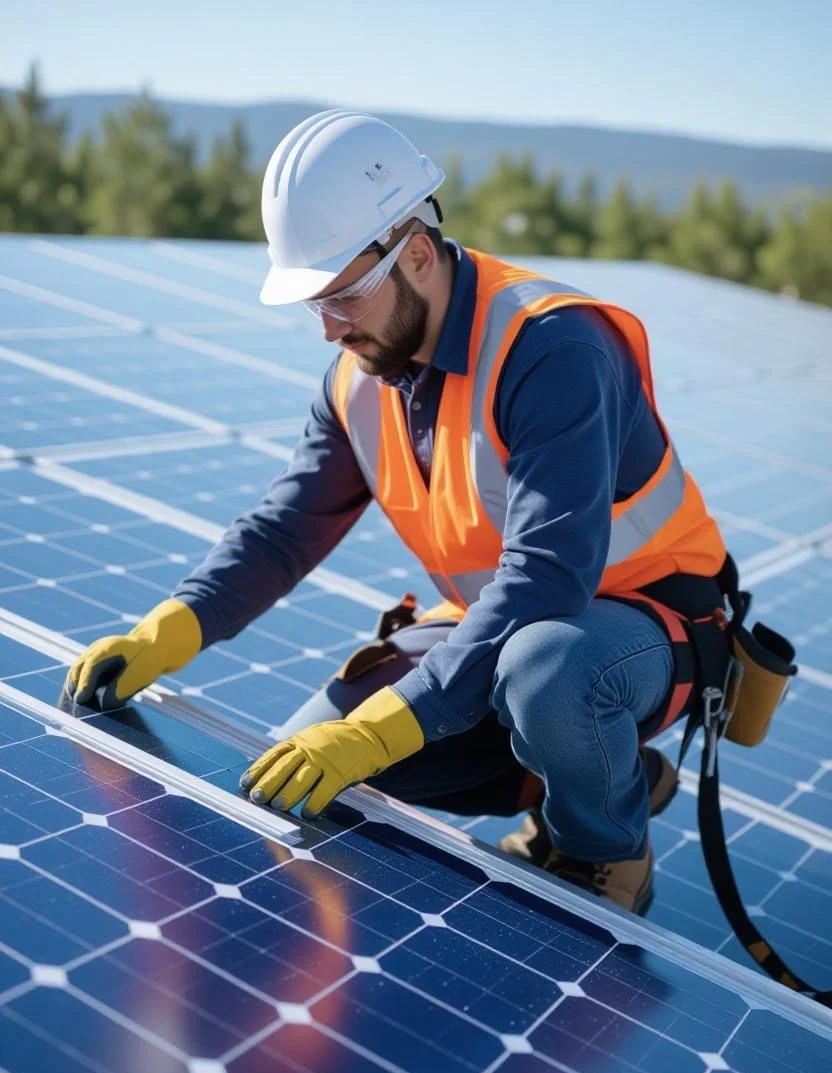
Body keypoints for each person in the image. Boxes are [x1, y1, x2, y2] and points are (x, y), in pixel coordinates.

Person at [63, 109, 731, 916]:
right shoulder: (356, 380)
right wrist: (168, 628)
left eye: (342, 296)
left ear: (415, 251)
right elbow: (284, 531)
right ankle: (590, 767)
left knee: (547, 674)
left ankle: (603, 849)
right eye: (313, 303)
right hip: (509, 622)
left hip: (644, 624)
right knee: (305, 757)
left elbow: (549, 579)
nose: (328, 328)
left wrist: (388, 724)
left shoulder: (555, 350)